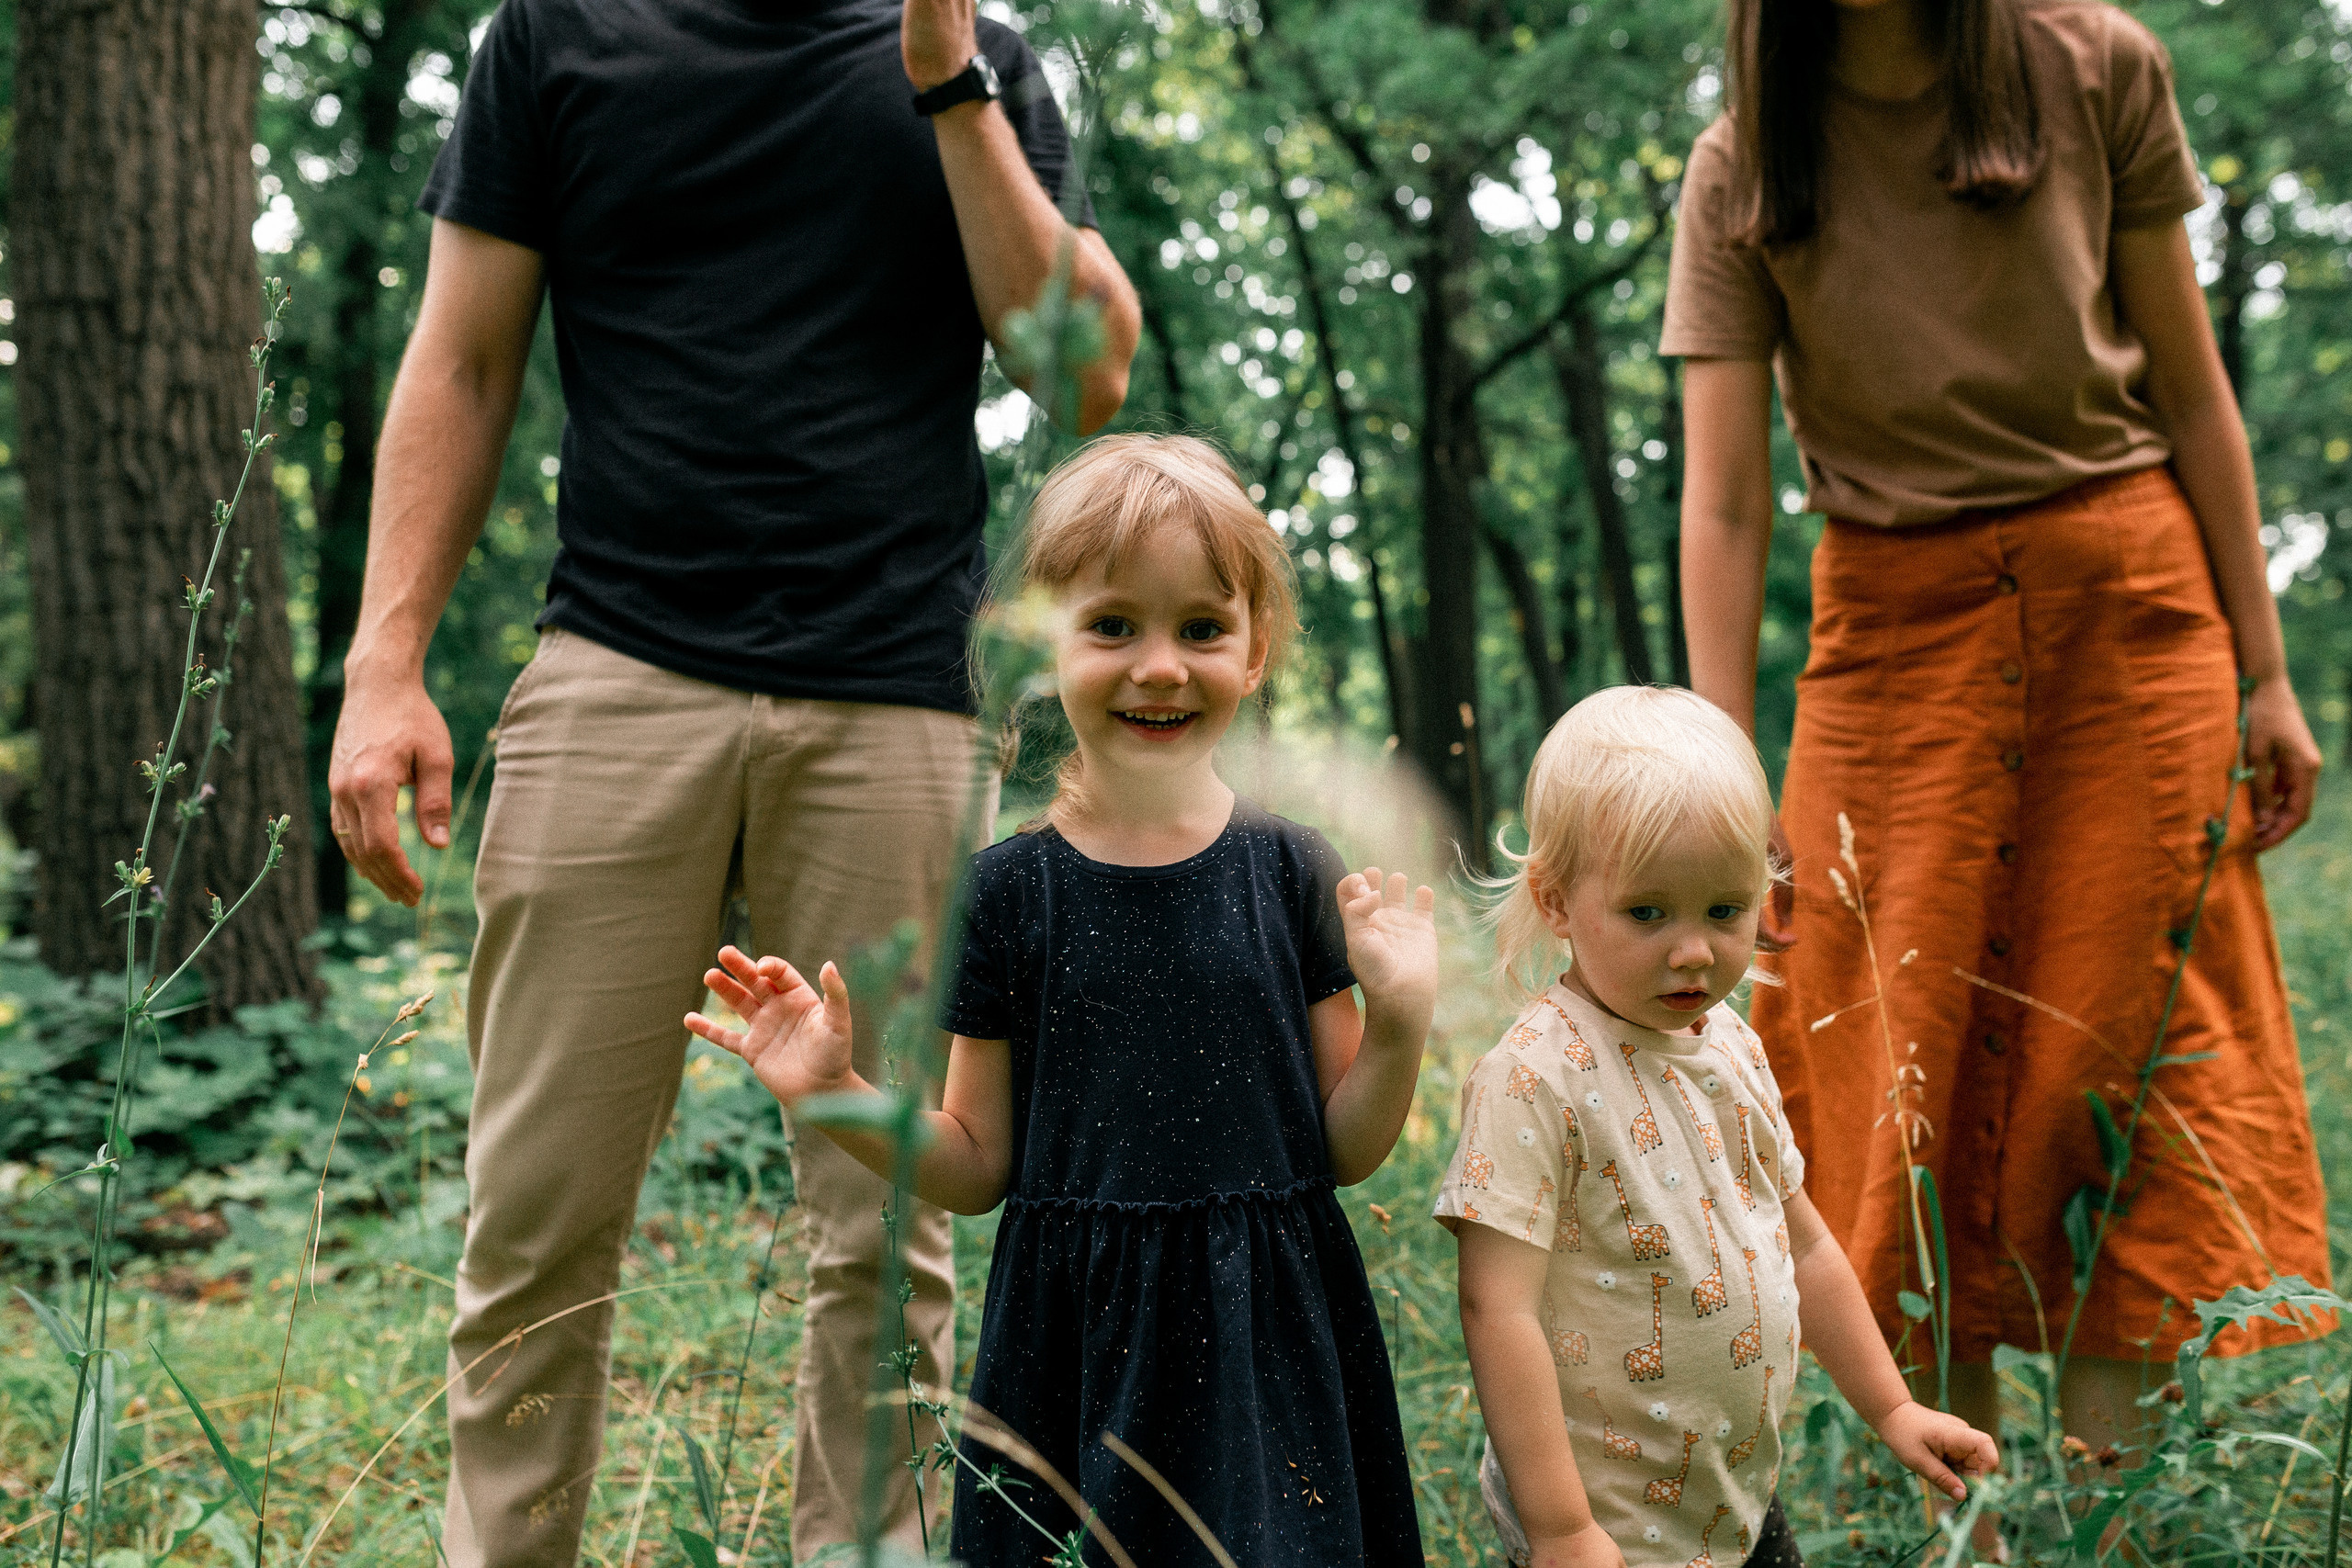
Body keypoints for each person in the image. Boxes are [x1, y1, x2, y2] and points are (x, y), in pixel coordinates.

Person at [322, 0, 1141, 1556]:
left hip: (898, 699)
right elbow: (467, 354)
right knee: (536, 1227)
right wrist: (385, 663)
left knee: (885, 1237)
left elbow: (1084, 377)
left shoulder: (978, 55)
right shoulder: (556, 39)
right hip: (616, 678)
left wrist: (947, 88)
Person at [1667, 0, 2331, 1487]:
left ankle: (2113, 1518)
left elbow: (2193, 387)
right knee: (1887, 1054)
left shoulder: (2094, 65)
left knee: (2130, 1053)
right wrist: (1724, 761)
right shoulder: (1739, 168)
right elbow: (1723, 499)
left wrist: (2268, 670)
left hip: (2132, 619)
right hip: (1891, 639)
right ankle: (1955, 1516)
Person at [688, 434, 1432, 1563]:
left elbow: (1347, 1149)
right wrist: (831, 1093)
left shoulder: (1294, 874)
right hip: (1075, 1346)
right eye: (1111, 626)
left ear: (1255, 648)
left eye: (1200, 629)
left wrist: (1403, 1023)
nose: (1159, 667)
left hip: (1265, 1338)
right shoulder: (1004, 892)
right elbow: (976, 1165)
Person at [1436, 687, 1998, 1568]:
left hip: (1731, 1497)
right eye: (1648, 912)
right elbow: (1494, 1307)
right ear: (1555, 901)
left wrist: (1895, 1408)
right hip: (1603, 1521)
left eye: (1724, 911)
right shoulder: (1535, 1077)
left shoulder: (1730, 1042)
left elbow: (1804, 1244)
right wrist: (1560, 1528)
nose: (1693, 949)